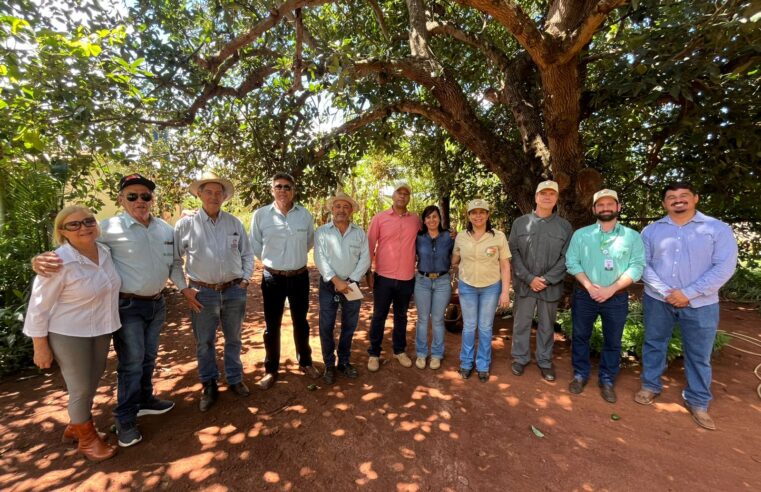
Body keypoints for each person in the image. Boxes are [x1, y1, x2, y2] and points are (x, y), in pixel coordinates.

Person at [32, 173, 185, 448]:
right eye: (133, 196)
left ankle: (144, 400)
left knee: (149, 357)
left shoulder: (165, 229)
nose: (140, 200)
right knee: (132, 361)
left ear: (152, 199)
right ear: (121, 199)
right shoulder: (106, 228)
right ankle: (125, 418)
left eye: (145, 196)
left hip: (157, 303)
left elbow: (173, 263)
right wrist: (40, 259)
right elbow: (77, 247)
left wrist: (183, 288)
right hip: (127, 306)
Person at [636, 182, 737, 430]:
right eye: (671, 197)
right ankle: (650, 386)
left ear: (696, 198)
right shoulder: (651, 231)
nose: (677, 200)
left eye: (683, 196)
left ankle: (698, 401)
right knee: (654, 343)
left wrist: (688, 294)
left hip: (701, 303)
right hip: (659, 300)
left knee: (699, 353)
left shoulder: (716, 229)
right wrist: (666, 292)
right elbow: (642, 264)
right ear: (664, 203)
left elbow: (724, 267)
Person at [24, 205, 120, 461]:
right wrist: (40, 346)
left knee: (93, 379)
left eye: (88, 221)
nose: (83, 227)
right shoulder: (57, 261)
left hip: (101, 328)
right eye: (74, 224)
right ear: (62, 231)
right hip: (69, 332)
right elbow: (38, 306)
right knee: (80, 387)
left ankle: (75, 426)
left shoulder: (105, 251)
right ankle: (87, 440)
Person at [175, 172, 254, 411]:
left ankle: (234, 378)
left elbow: (247, 254)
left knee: (234, 339)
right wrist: (183, 289)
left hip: (233, 291)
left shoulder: (234, 223)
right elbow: (174, 261)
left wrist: (245, 280)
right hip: (202, 293)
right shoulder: (186, 224)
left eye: (218, 192)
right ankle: (209, 384)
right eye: (208, 191)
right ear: (199, 194)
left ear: (224, 196)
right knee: (204, 343)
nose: (213, 196)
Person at [565, 189, 645, 403]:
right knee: (580, 336)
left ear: (618, 207)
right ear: (594, 209)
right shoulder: (581, 235)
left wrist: (611, 289)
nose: (605, 207)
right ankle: (580, 375)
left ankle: (607, 379)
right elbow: (572, 262)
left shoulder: (632, 236)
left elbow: (637, 266)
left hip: (616, 297)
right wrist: (589, 286)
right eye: (600, 205)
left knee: (613, 340)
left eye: (610, 204)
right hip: (584, 295)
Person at [250, 172, 319, 390]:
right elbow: (255, 245)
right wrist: (275, 262)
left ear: (293, 191)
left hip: (299, 277)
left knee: (301, 321)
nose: (282, 190)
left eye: (287, 187)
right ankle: (271, 370)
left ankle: (306, 362)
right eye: (278, 186)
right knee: (272, 325)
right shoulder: (261, 215)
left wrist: (292, 261)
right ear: (272, 190)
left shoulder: (305, 215)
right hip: (273, 278)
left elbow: (308, 242)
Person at [508, 180, 572, 381]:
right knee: (521, 323)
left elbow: (567, 257)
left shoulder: (564, 226)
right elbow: (513, 252)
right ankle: (520, 358)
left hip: (550, 287)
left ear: (556, 199)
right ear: (536, 197)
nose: (547, 197)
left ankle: (544, 361)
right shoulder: (520, 223)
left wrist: (546, 279)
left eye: (551, 194)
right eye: (542, 193)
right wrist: (529, 278)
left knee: (546, 326)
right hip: (525, 286)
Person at [451, 199, 512, 382]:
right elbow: (454, 260)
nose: (478, 216)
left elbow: (505, 266)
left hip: (490, 288)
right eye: (474, 212)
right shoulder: (461, 236)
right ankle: (466, 362)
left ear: (487, 215)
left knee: (485, 327)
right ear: (468, 216)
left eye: (482, 212)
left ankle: (483, 365)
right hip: (467, 286)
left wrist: (505, 292)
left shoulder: (498, 236)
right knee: (469, 327)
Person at [314, 191, 371, 385]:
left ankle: (344, 362)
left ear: (351, 211)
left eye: (346, 207)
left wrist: (351, 281)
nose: (341, 210)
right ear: (332, 209)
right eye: (338, 206)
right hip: (329, 285)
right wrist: (336, 281)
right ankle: (329, 364)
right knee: (326, 325)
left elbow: (365, 259)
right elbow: (319, 258)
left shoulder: (359, 233)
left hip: (352, 285)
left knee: (350, 325)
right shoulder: (322, 232)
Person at [365, 182, 420, 372]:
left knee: (401, 316)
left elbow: (424, 241)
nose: (402, 196)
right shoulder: (379, 218)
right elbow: (369, 246)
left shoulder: (415, 220)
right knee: (379, 315)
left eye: (406, 193)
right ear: (393, 195)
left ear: (409, 198)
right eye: (399, 192)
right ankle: (374, 353)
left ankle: (399, 350)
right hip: (383, 277)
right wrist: (367, 272)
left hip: (406, 278)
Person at [414, 205, 454, 370]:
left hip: (443, 281)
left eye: (435, 216)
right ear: (424, 220)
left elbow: (457, 256)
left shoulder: (449, 236)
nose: (432, 220)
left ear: (440, 219)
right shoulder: (418, 237)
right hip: (422, 281)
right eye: (428, 217)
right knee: (423, 319)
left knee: (437, 320)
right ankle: (421, 354)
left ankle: (437, 354)